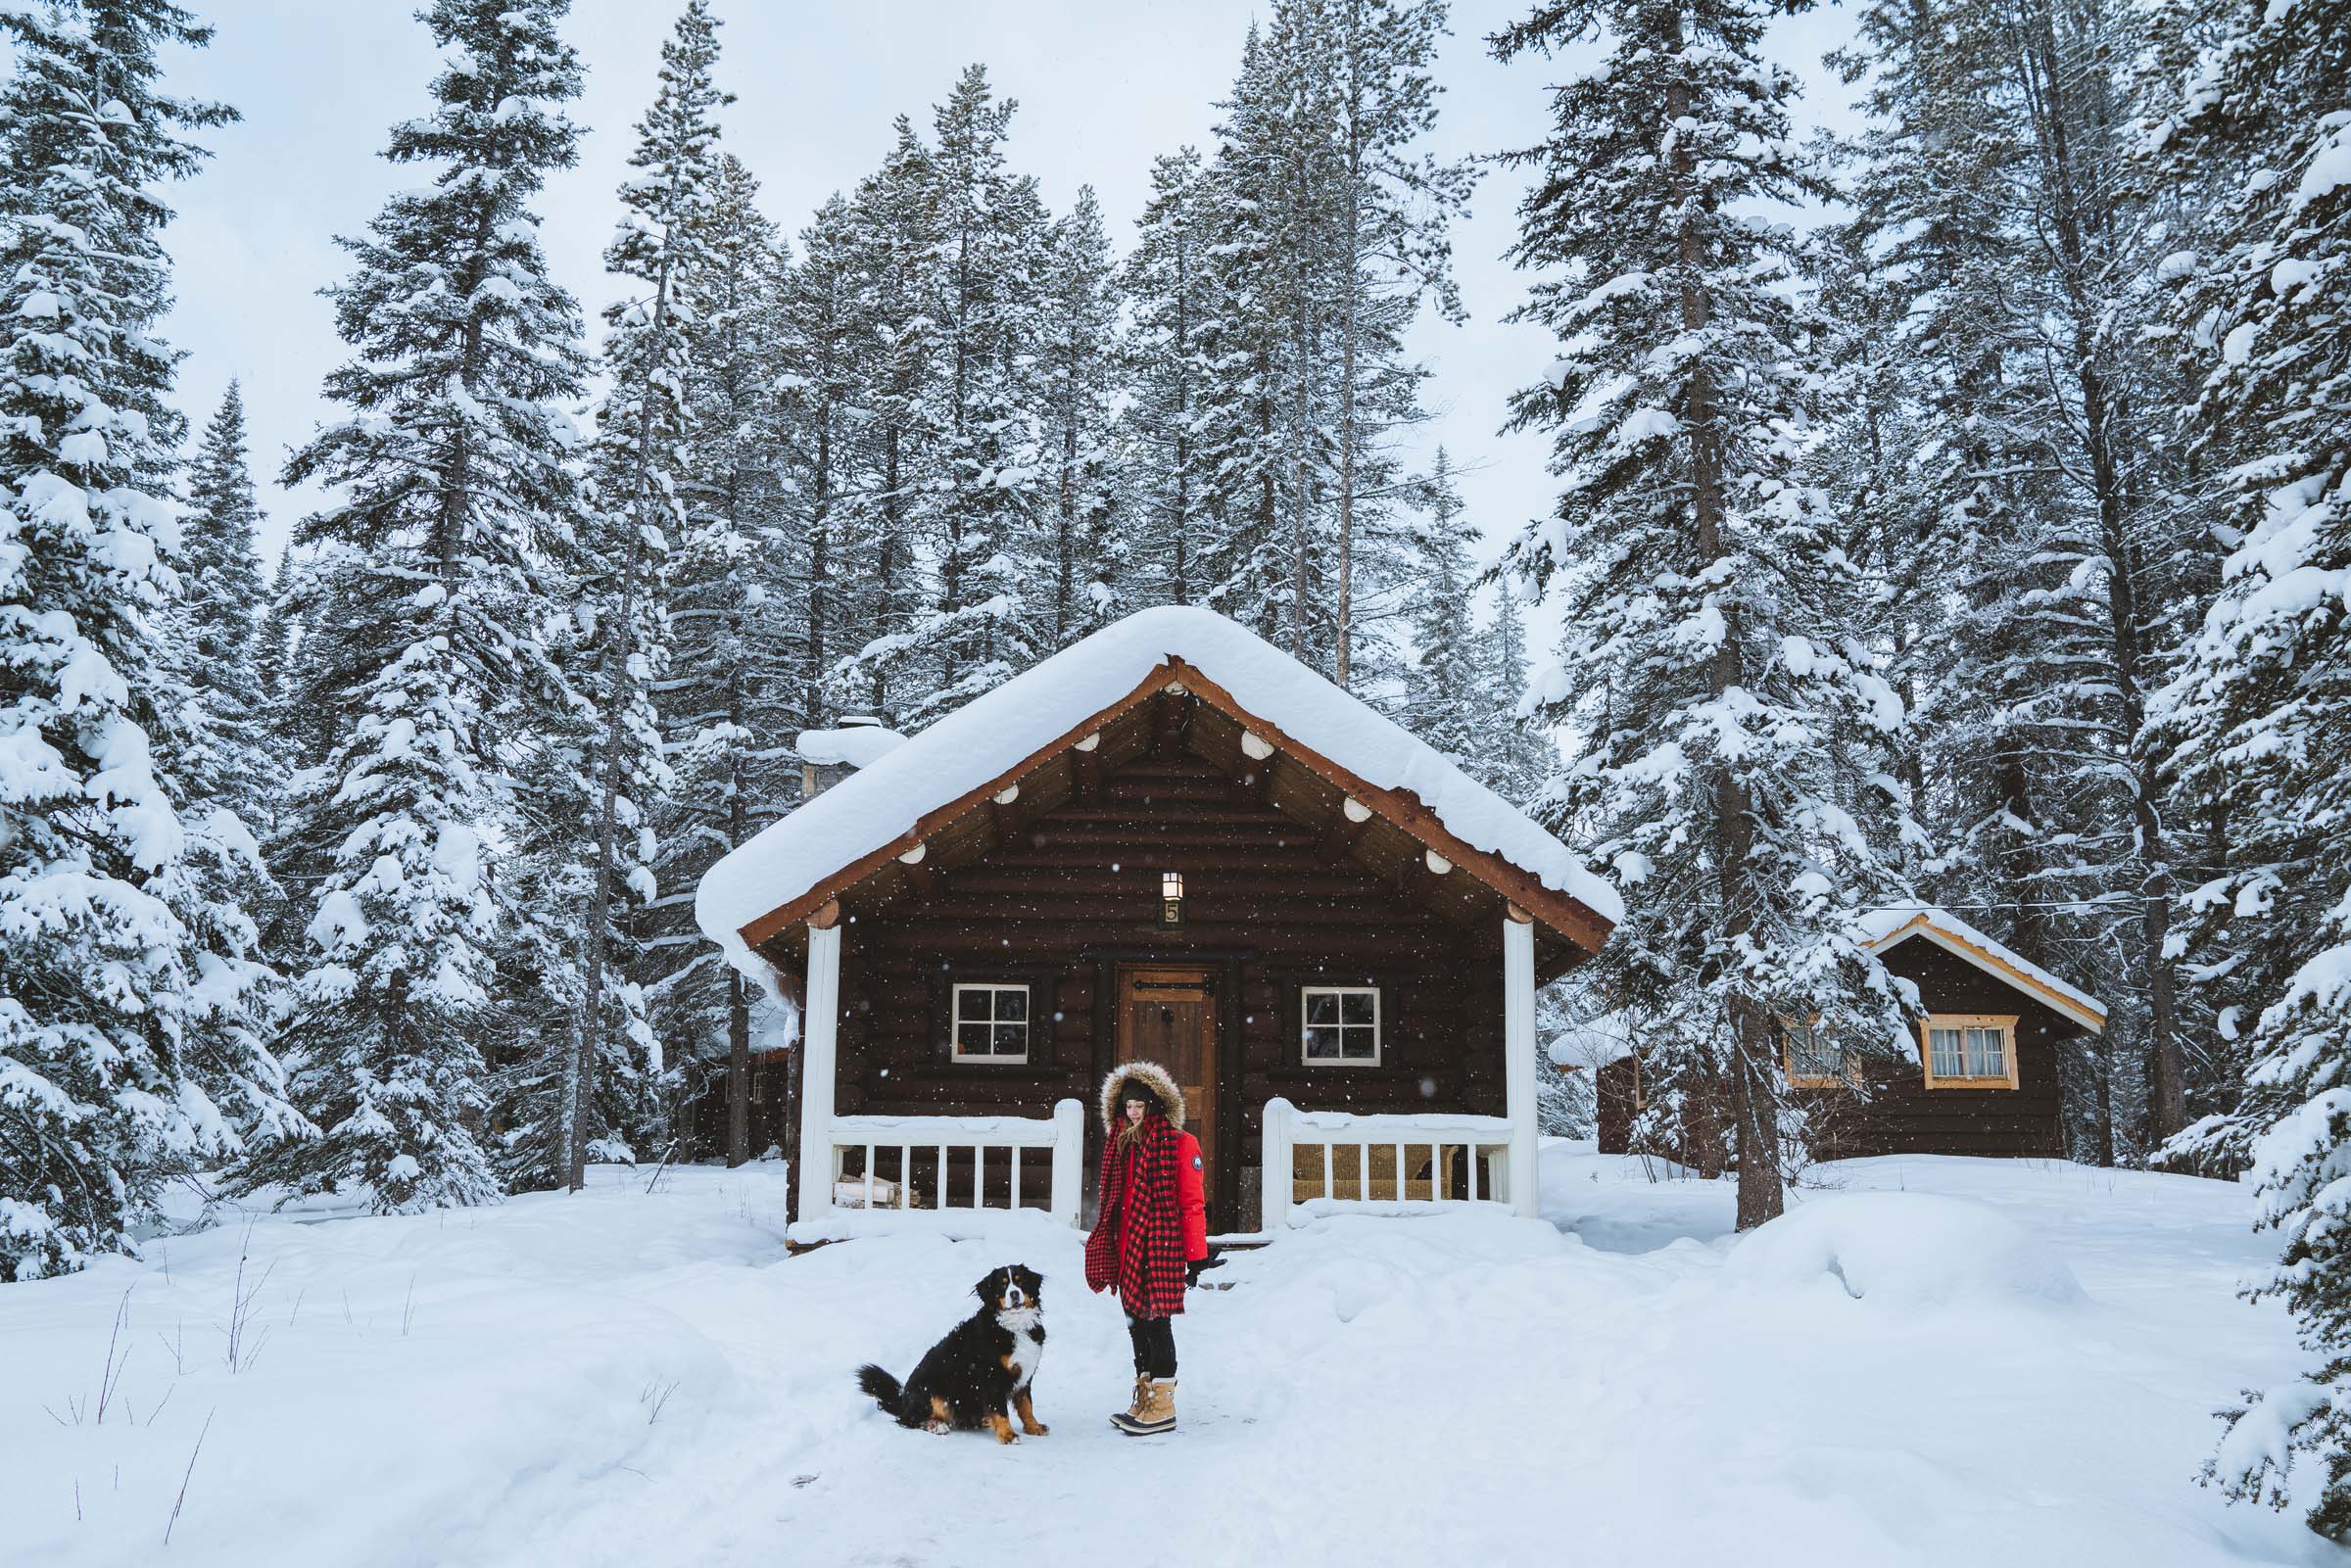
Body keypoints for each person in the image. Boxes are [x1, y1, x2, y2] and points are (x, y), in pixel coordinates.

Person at [1083, 1061, 1210, 1434]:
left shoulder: (1180, 1144)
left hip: (1160, 1247)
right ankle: (1145, 1397)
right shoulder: (1118, 1145)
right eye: (1128, 1106)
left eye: (1140, 1105)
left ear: (1154, 1106)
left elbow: (1191, 1202)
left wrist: (1196, 1256)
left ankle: (1163, 1406)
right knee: (1135, 1325)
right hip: (1128, 1249)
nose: (1134, 1112)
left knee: (1157, 1324)